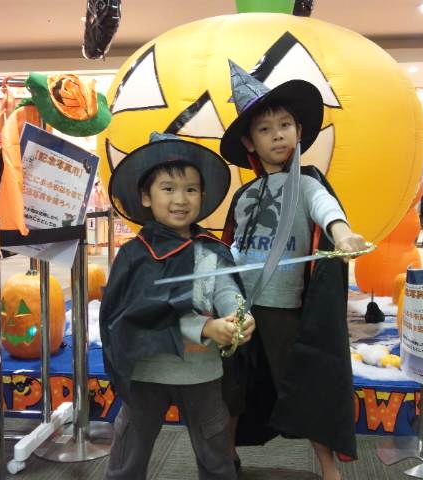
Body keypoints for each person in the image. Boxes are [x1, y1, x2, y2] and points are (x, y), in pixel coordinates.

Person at [219, 61, 366, 480]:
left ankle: (329, 469)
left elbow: (325, 208)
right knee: (232, 388)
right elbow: (233, 244)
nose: (278, 134)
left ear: (299, 131)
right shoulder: (245, 194)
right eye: (265, 129)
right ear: (249, 140)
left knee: (304, 386)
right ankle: (224, 461)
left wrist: (343, 234)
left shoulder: (306, 183)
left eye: (285, 125)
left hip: (284, 308)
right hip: (239, 307)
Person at [100, 132, 255, 480]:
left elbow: (225, 288)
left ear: (203, 195)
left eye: (191, 189)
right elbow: (137, 312)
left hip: (201, 374)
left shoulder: (210, 249)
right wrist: (205, 327)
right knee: (130, 451)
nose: (180, 199)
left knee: (215, 452)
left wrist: (238, 315)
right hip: (147, 374)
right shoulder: (135, 255)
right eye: (168, 188)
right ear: (146, 196)